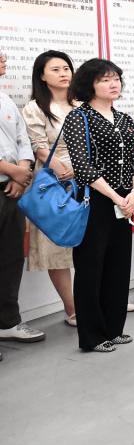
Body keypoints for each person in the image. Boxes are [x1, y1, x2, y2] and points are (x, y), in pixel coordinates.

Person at [63, 59, 134, 353]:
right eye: (105, 80)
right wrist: (116, 197)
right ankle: (92, 336)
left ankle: (114, 328)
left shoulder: (124, 119)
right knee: (90, 266)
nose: (113, 84)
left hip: (125, 199)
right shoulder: (78, 117)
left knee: (118, 265)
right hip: (95, 199)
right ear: (90, 85)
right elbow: (82, 167)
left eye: (116, 79)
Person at [21, 50, 78, 325]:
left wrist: (83, 170)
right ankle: (72, 309)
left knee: (93, 243)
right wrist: (64, 170)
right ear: (42, 76)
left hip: (88, 180)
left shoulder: (82, 104)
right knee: (57, 248)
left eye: (66, 68)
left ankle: (100, 299)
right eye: (55, 69)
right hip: (54, 182)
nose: (63, 73)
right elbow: (40, 148)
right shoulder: (34, 108)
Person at [0, 49, 46, 346]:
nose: (4, 59)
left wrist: (22, 172)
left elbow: (22, 140)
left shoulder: (5, 99)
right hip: (9, 179)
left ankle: (7, 322)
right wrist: (12, 171)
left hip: (11, 190)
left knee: (11, 257)